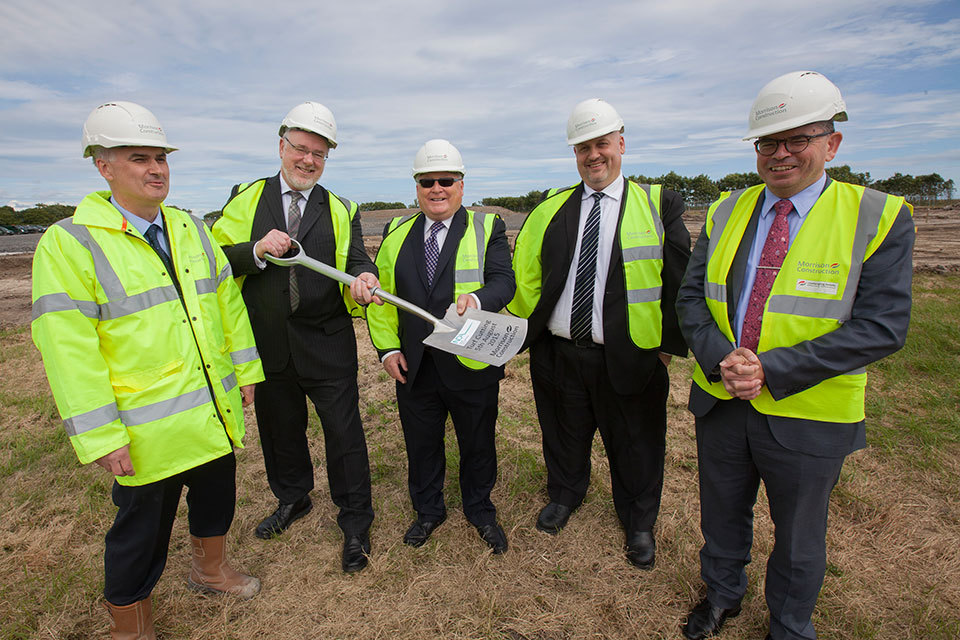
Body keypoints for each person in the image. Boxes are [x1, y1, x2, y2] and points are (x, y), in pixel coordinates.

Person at [676, 71, 915, 640]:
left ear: (832, 143)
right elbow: (692, 298)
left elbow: (882, 326)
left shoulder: (877, 216)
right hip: (723, 402)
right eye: (768, 142)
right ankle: (722, 596)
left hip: (809, 411)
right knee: (721, 517)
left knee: (800, 535)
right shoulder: (724, 211)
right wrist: (720, 361)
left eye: (797, 139)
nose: (780, 154)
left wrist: (770, 369)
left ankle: (788, 624)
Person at [31, 101, 264, 639]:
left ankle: (210, 569)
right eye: (140, 158)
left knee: (216, 495)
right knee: (141, 529)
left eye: (160, 157)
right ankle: (131, 625)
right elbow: (69, 350)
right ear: (103, 166)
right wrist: (100, 433)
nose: (156, 169)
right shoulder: (71, 243)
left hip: (210, 410)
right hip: (144, 428)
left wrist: (246, 372)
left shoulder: (190, 228)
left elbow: (226, 302)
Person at [508, 99, 690, 569]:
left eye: (602, 143)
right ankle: (566, 495)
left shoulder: (658, 202)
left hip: (632, 356)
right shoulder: (550, 209)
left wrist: (666, 352)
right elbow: (525, 280)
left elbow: (678, 282)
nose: (593, 155)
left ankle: (639, 521)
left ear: (621, 144)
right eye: (583, 147)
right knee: (562, 435)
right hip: (558, 352)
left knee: (636, 443)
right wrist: (510, 333)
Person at [211, 102, 379, 573]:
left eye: (319, 155)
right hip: (268, 345)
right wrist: (256, 250)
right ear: (281, 146)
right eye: (301, 150)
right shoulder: (243, 198)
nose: (308, 161)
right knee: (280, 432)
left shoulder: (342, 208)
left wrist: (366, 280)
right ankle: (293, 498)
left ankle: (355, 519)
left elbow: (357, 261)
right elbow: (216, 260)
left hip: (326, 343)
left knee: (345, 436)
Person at [367, 140, 516, 553]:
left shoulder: (489, 227)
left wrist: (480, 300)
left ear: (461, 185)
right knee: (421, 443)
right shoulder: (396, 232)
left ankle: (480, 509)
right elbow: (382, 299)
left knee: (478, 442)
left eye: (445, 180)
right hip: (415, 365)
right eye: (427, 181)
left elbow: (505, 280)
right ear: (416, 186)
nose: (437, 188)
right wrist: (386, 350)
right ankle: (428, 511)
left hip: (471, 360)